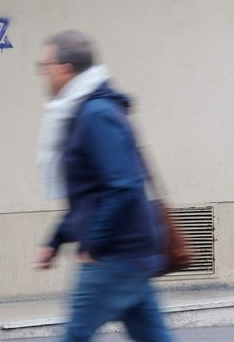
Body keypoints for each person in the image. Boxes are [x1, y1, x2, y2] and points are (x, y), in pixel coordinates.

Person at [32, 30, 171, 342]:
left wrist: (92, 244)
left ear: (64, 69)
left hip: (114, 254)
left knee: (73, 336)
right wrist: (54, 242)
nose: (43, 74)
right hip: (129, 250)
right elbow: (89, 194)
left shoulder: (95, 114)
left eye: (45, 66)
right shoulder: (89, 110)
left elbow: (122, 186)